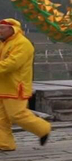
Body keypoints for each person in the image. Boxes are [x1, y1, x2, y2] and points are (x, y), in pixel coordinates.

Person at [0, 19, 50, 151]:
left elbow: (12, 64)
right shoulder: (4, 43)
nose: (0, 31)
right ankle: (5, 144)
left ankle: (43, 128)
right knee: (1, 118)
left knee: (17, 115)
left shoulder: (23, 43)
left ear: (12, 29)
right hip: (3, 86)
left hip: (16, 87)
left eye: (2, 28)